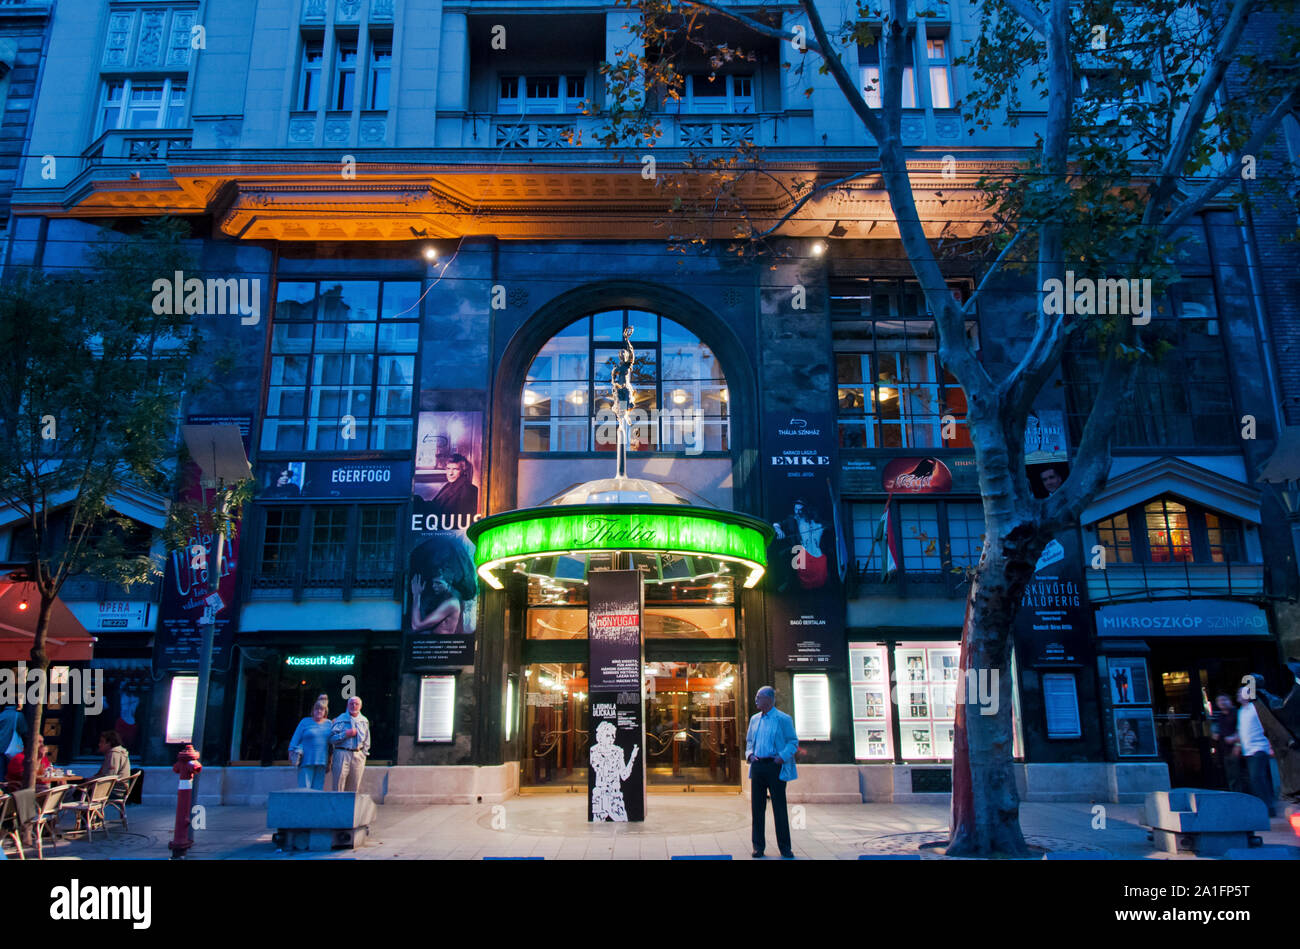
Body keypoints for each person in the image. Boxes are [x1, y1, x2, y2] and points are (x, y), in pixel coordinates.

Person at [745, 685, 799, 858]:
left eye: (758, 696)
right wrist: (750, 755)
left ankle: (785, 847)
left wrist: (781, 757)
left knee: (779, 808)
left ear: (768, 699)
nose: (755, 699)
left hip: (775, 767)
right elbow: (749, 741)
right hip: (758, 766)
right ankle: (758, 846)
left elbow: (793, 742)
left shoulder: (783, 719)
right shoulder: (754, 719)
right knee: (757, 809)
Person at [1237, 678, 1276, 817]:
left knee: (1257, 778)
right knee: (1257, 778)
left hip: (1259, 748)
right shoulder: (1242, 711)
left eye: (1242, 693)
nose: (1239, 696)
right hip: (1249, 750)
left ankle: (1267, 807)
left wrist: (1270, 745)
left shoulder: (1255, 708)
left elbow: (1268, 726)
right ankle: (1265, 806)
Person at [589, 721, 638, 821]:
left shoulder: (618, 751)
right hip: (600, 795)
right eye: (608, 736)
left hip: (615, 796)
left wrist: (632, 758)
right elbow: (601, 769)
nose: (611, 739)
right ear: (600, 737)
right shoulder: (594, 751)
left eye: (613, 736)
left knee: (624, 822)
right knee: (597, 828)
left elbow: (624, 775)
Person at [288, 696, 333, 789]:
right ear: (313, 711)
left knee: (318, 790)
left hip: (322, 761)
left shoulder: (329, 724)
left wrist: (330, 761)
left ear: (325, 712)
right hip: (306, 760)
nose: (319, 711)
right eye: (317, 709)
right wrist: (291, 751)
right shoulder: (305, 722)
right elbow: (295, 739)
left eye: (322, 709)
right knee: (304, 789)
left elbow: (332, 743)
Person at [330, 696, 371, 792]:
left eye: (356, 704)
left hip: (358, 755)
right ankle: (337, 807)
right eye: (351, 703)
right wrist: (345, 734)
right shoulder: (341, 719)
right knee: (338, 785)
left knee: (354, 786)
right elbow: (331, 739)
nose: (354, 706)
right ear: (347, 705)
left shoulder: (364, 720)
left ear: (360, 706)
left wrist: (363, 754)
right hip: (342, 753)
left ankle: (350, 807)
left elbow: (367, 740)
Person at [1211, 692, 1246, 792]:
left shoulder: (1237, 713)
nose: (1221, 702)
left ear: (1229, 701)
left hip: (1237, 748)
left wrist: (1237, 742)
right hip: (1224, 750)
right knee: (1231, 775)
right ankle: (1235, 796)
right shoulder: (1220, 716)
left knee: (1239, 774)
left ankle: (1244, 796)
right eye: (1219, 701)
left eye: (1223, 700)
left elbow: (1241, 729)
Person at [0, 702, 26, 779]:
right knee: (11, 774)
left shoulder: (1, 715)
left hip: (1, 748)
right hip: (12, 749)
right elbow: (24, 731)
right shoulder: (18, 715)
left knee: (1, 775)